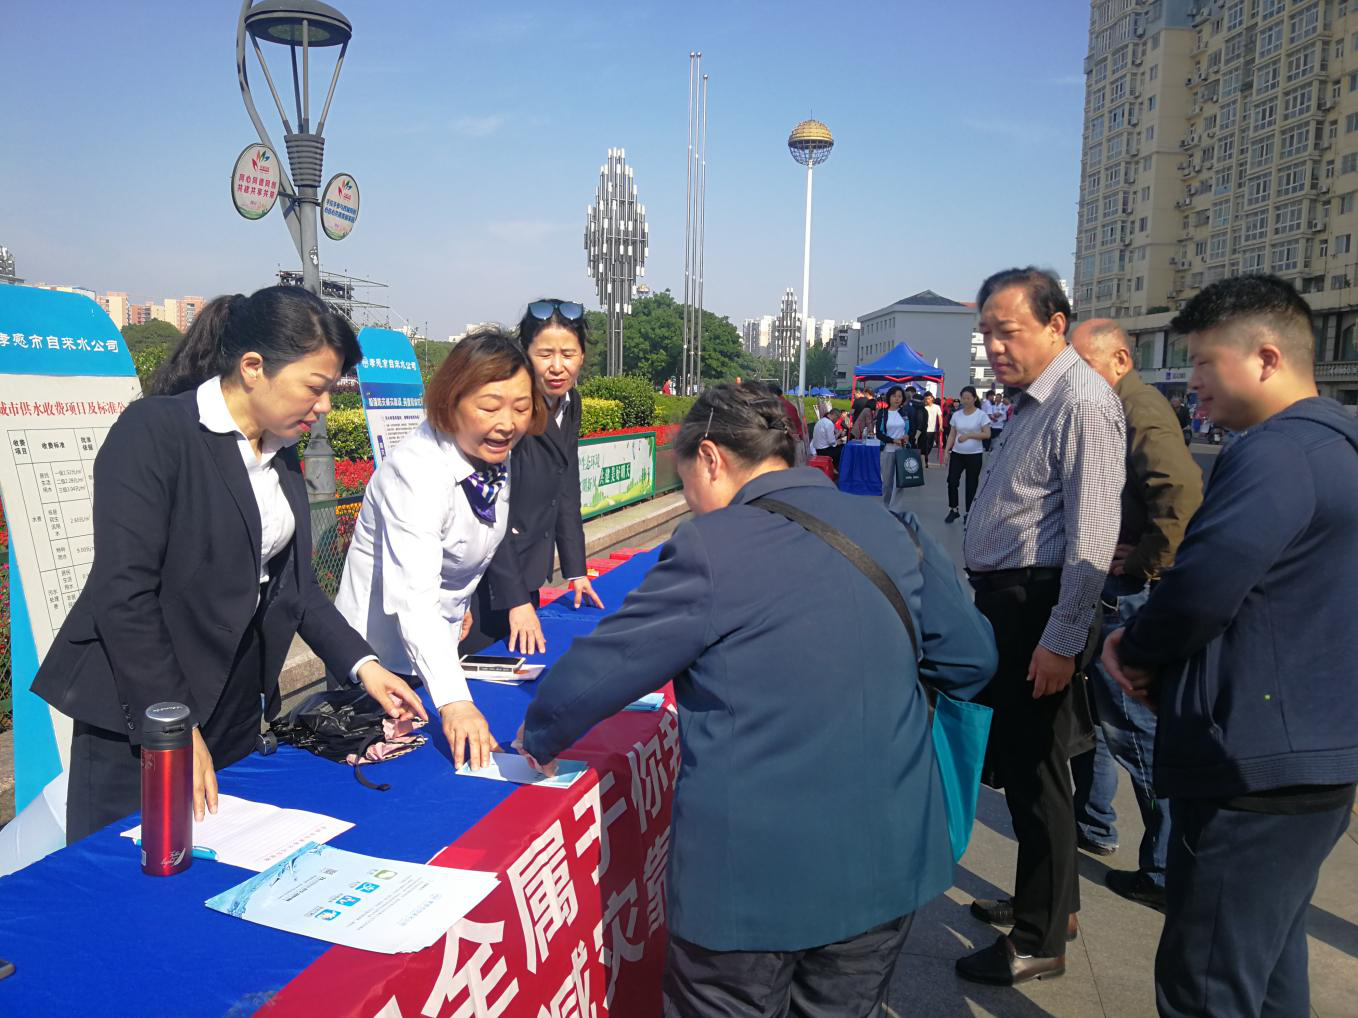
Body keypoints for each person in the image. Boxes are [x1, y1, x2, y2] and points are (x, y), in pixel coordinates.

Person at [515, 381, 997, 1016]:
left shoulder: (712, 544)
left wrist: (539, 730)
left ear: (710, 457)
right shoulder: (892, 526)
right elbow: (972, 659)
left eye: (686, 482)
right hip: (888, 858)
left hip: (750, 882)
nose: (690, 500)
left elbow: (607, 666)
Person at [33, 286, 426, 844]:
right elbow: (124, 593)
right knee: (133, 859)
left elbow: (296, 587)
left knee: (229, 853)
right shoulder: (155, 432)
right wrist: (173, 723)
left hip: (234, 698)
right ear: (253, 367)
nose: (324, 407)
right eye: (314, 387)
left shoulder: (278, 449)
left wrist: (365, 665)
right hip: (142, 701)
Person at [1102, 275, 1358, 1018]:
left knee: (1208, 982)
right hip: (1314, 753)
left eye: (1205, 363)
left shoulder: (1278, 454)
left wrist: (1135, 647)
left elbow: (1203, 586)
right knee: (1269, 968)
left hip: (1252, 763)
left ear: (1267, 358)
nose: (1193, 383)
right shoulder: (1337, 447)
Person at [955, 267, 1126, 986]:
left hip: (1041, 608)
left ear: (1056, 326)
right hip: (1012, 605)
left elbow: (1093, 536)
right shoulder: (1032, 401)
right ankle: (1053, 905)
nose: (994, 347)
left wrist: (1060, 640)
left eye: (1009, 332)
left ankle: (1039, 940)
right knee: (1030, 769)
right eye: (987, 334)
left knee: (1038, 773)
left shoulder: (1081, 401)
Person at [334, 329, 546, 770]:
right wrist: (455, 703)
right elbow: (414, 600)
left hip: (438, 646)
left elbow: (474, 540)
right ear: (451, 402)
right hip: (381, 659)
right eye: (490, 406)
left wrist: (458, 601)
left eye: (521, 407)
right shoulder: (416, 472)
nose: (507, 423)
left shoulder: (491, 457)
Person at [1068, 319, 1204, 909]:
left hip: (1129, 591)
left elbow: (1180, 494)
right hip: (1112, 581)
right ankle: (1095, 822)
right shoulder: (1113, 406)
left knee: (1131, 727)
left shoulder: (1139, 407)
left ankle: (1167, 866)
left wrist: (1146, 560)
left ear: (1120, 360)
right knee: (1100, 718)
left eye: (1083, 367)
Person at [461, 300, 604, 657]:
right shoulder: (511, 410)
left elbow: (566, 486)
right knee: (483, 668)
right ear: (525, 354)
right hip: (484, 576)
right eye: (544, 354)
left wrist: (576, 570)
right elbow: (490, 510)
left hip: (527, 569)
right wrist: (515, 600)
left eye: (567, 354)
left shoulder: (570, 402)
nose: (557, 366)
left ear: (582, 356)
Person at [943, 385, 991, 524]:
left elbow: (987, 434)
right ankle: (954, 509)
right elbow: (952, 434)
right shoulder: (957, 415)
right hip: (957, 454)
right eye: (963, 398)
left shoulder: (981, 415)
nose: (965, 400)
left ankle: (969, 513)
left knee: (971, 484)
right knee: (952, 481)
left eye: (968, 398)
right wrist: (947, 451)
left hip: (974, 455)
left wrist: (969, 435)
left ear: (974, 398)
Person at [876, 385, 912, 501]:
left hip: (902, 451)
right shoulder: (883, 413)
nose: (897, 399)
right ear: (889, 397)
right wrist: (892, 440)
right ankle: (885, 505)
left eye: (899, 396)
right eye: (894, 396)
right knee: (887, 481)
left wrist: (907, 436)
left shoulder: (905, 413)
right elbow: (879, 434)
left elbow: (910, 430)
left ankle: (896, 507)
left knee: (901, 481)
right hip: (887, 450)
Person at [811, 401, 845, 469]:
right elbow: (831, 442)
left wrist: (836, 441)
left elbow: (828, 439)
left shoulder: (821, 420)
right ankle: (836, 467)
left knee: (840, 446)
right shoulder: (829, 423)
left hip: (817, 449)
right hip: (824, 451)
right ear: (834, 415)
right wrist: (837, 442)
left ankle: (834, 467)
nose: (837, 420)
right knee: (843, 448)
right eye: (837, 418)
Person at [919, 392, 943, 466]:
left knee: (930, 445)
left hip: (933, 430)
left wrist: (940, 426)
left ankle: (925, 456)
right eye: (926, 399)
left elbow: (940, 416)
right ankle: (925, 459)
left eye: (929, 398)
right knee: (925, 446)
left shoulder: (937, 407)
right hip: (924, 430)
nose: (927, 400)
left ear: (932, 398)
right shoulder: (924, 407)